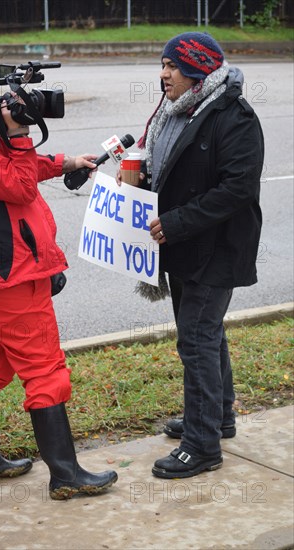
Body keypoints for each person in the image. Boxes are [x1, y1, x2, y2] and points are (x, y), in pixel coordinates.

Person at [0, 46, 117, 499]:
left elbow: (5, 171)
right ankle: (66, 474)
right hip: (5, 275)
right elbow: (15, 183)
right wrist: (16, 132)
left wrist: (66, 162)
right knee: (44, 369)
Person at [120, 33, 264, 479]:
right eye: (162, 64)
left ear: (198, 70)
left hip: (217, 247)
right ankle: (217, 418)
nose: (163, 74)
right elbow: (172, 168)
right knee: (204, 333)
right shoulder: (175, 110)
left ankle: (202, 446)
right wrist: (139, 172)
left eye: (172, 66)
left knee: (196, 340)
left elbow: (238, 188)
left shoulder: (233, 115)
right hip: (182, 245)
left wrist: (178, 221)